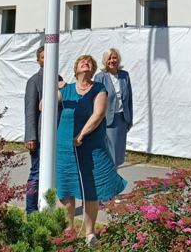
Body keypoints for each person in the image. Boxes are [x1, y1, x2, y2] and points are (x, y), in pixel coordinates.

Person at [57, 54, 127, 246]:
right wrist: (54, 88)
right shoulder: (66, 89)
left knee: (91, 188)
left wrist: (81, 135)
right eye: (82, 61)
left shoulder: (99, 88)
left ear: (93, 68)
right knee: (66, 186)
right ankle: (68, 229)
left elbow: (99, 114)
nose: (86, 63)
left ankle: (89, 233)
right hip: (65, 145)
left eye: (89, 62)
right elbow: (42, 106)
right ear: (76, 69)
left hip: (91, 144)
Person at [23, 47, 65, 214]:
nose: (47, 60)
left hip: (57, 135)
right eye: (43, 57)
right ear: (38, 61)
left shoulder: (59, 79)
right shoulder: (34, 81)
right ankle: (31, 211)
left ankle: (49, 208)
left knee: (54, 174)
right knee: (36, 173)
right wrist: (31, 136)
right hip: (40, 137)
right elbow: (30, 111)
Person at [94, 47, 133, 167]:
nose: (112, 60)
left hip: (121, 119)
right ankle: (110, 176)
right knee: (110, 153)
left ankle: (114, 174)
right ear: (105, 61)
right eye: (109, 58)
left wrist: (130, 120)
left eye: (114, 57)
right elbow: (96, 100)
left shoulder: (124, 75)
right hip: (106, 119)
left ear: (118, 59)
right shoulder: (100, 77)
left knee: (118, 152)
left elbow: (129, 99)